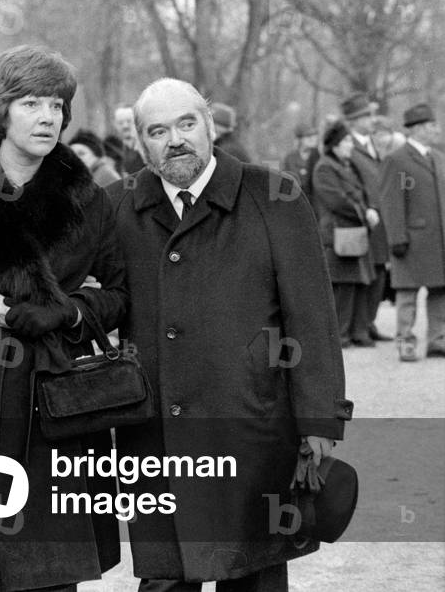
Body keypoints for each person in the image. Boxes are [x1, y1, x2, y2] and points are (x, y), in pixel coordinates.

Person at [105, 78, 351, 592]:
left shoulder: (274, 196)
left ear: (210, 126)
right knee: (167, 575)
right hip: (155, 433)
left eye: (187, 124)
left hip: (253, 424)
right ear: (140, 143)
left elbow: (312, 315)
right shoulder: (115, 208)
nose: (175, 140)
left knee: (253, 571)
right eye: (158, 131)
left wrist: (320, 419)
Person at [0, 45, 128, 591]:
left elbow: (118, 293)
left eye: (56, 105)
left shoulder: (87, 197)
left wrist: (66, 312)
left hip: (55, 395)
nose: (47, 117)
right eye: (31, 103)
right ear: (1, 110)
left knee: (54, 567)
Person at [379, 103, 445, 361]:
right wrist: (397, 238)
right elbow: (391, 201)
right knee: (407, 293)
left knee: (440, 292)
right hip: (411, 239)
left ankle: (437, 340)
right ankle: (405, 342)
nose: (437, 130)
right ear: (417, 129)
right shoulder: (396, 160)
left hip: (438, 241)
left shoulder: (439, 158)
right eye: (431, 126)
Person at [312, 121, 379, 348]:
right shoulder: (325, 167)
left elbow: (362, 193)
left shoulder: (347, 165)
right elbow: (336, 200)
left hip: (354, 233)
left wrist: (369, 210)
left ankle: (357, 332)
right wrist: (364, 213)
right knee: (343, 286)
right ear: (336, 145)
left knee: (358, 283)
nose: (351, 145)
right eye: (347, 141)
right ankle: (340, 335)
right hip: (339, 234)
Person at [340, 93, 392, 342]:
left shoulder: (371, 144)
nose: (372, 120)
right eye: (366, 116)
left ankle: (368, 323)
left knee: (380, 272)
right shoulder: (348, 146)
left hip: (380, 218)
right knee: (366, 274)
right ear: (353, 121)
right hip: (364, 218)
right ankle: (358, 328)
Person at [281, 121, 319, 200]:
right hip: (298, 201)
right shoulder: (290, 159)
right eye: (308, 136)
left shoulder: (318, 157)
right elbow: (286, 184)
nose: (313, 138)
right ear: (300, 139)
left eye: (314, 135)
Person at [114, 104, 146, 174]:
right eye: (120, 123)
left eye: (129, 121)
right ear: (115, 125)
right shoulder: (113, 149)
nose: (125, 126)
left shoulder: (145, 145)